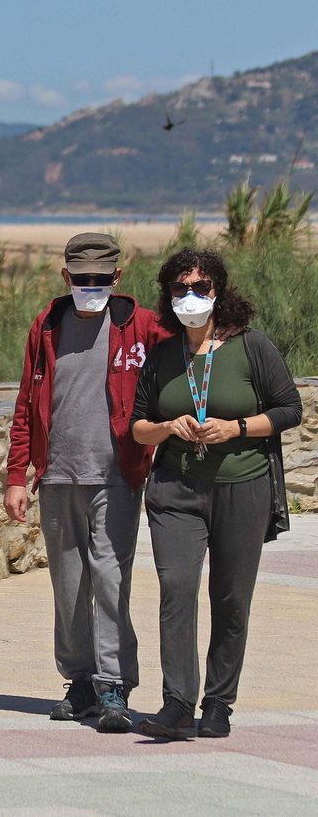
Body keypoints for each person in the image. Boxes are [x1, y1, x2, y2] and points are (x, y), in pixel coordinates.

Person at [131, 248, 302, 739]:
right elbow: (139, 428)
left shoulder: (252, 347)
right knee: (177, 590)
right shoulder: (163, 354)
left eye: (200, 288)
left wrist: (238, 427)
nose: (190, 296)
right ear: (168, 297)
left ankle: (219, 703)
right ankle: (177, 703)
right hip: (174, 491)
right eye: (180, 288)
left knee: (230, 599)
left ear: (219, 293)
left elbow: (290, 410)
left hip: (241, 489)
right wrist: (168, 425)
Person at [4, 233, 169, 732]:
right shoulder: (47, 325)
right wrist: (17, 475)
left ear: (117, 278)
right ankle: (78, 684)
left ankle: (114, 684)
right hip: (56, 476)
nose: (90, 287)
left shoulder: (140, 325)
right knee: (69, 585)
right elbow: (24, 406)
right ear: (66, 278)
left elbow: (186, 362)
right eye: (81, 280)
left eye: (100, 280)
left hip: (117, 474)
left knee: (112, 580)